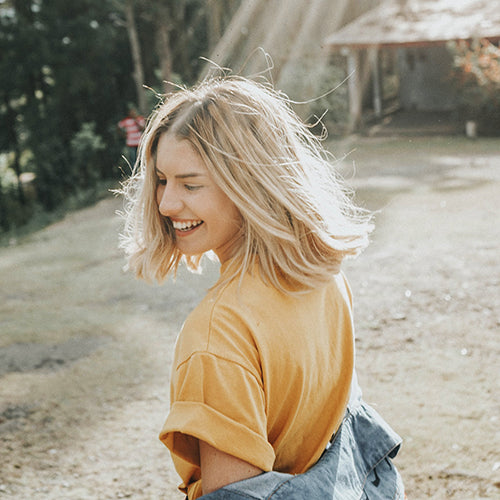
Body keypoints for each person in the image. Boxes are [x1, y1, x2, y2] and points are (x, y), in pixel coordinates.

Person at [119, 76, 405, 499]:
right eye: (162, 179)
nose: (165, 204)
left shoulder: (218, 334)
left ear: (248, 184)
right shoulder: (321, 273)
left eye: (190, 184)